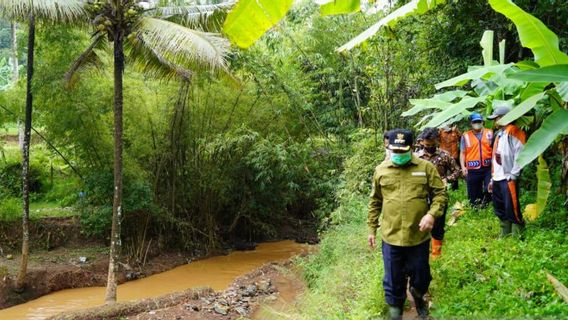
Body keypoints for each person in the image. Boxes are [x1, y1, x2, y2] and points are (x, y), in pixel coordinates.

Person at [368, 129, 447, 320]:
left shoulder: (426, 168)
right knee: (393, 281)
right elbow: (375, 201)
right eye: (394, 150)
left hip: (417, 238)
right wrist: (371, 229)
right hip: (391, 236)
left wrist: (431, 214)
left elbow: (440, 195)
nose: (398, 154)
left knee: (422, 277)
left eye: (402, 151)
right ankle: (396, 312)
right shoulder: (381, 170)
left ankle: (418, 296)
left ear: (412, 147)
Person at [417, 127, 460, 258]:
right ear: (422, 142)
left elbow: (457, 171)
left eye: (432, 144)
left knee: (438, 224)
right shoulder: (416, 157)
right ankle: (422, 252)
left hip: (439, 195)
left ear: (437, 141)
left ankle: (436, 254)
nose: (429, 147)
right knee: (420, 224)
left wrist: (446, 179)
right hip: (420, 196)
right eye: (427, 145)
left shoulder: (444, 155)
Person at [487, 106, 527, 237]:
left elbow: (520, 155)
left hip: (508, 176)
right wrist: (492, 178)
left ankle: (517, 233)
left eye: (497, 118)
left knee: (512, 206)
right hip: (498, 176)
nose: (495, 121)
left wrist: (514, 174)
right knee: (499, 206)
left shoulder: (515, 132)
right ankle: (505, 232)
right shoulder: (499, 135)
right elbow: (494, 157)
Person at [460, 113, 493, 207]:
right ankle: (476, 207)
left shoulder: (489, 133)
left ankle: (487, 203)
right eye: (475, 122)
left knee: (489, 188)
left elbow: (494, 149)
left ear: (482, 122)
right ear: (471, 123)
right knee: (473, 192)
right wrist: (463, 167)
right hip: (472, 168)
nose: (477, 123)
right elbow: (462, 153)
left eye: (479, 121)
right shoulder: (466, 136)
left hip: (488, 167)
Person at [439, 124, 461, 190]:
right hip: (443, 157)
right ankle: (442, 188)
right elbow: (436, 140)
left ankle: (455, 189)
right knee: (443, 173)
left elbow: (461, 139)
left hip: (454, 156)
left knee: (455, 173)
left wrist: (457, 131)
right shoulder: (441, 131)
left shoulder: (455, 130)